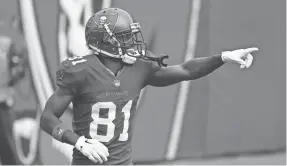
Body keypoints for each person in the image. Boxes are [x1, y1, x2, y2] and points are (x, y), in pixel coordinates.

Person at [40, 8, 258, 165]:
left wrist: (222, 57)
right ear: (106, 42)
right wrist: (78, 141)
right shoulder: (80, 71)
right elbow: (48, 118)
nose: (132, 43)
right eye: (125, 38)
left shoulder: (139, 67)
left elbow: (186, 70)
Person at [0, 15, 27, 165]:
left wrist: (10, 81)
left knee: (7, 148)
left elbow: (21, 66)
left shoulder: (8, 42)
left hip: (3, 102)